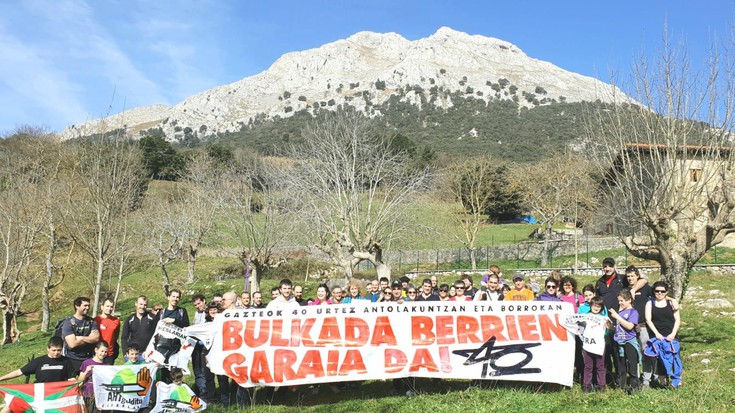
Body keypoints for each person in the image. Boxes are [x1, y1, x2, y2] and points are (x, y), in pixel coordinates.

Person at [645, 281, 682, 388]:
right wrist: (656, 334)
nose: (659, 293)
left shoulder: (671, 303)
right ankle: (663, 383)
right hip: (657, 335)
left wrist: (673, 334)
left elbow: (677, 319)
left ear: (666, 292)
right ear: (653, 292)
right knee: (660, 359)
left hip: (671, 334)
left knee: (675, 357)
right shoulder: (650, 303)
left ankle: (678, 382)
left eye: (662, 291)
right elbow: (648, 319)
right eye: (657, 291)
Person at [0, 337, 75, 383]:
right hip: (40, 393)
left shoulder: (66, 361)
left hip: (58, 394)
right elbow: (18, 372)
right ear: (48, 349)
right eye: (53, 350)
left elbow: (71, 379)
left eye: (59, 350)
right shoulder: (39, 361)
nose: (56, 353)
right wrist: (1, 379)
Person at [626, 266, 653, 387]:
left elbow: (658, 295)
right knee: (633, 354)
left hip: (643, 326)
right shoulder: (625, 290)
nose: (630, 278)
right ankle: (635, 378)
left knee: (646, 352)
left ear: (638, 276)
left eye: (632, 276)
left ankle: (647, 378)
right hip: (630, 327)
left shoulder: (646, 288)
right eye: (628, 276)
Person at [609, 290, 640, 393]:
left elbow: (630, 326)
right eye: (619, 301)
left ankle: (634, 386)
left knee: (632, 365)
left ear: (629, 300)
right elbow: (620, 328)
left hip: (629, 341)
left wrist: (617, 317)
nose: (620, 303)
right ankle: (622, 386)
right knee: (621, 365)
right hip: (619, 341)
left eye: (622, 301)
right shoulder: (621, 312)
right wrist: (611, 327)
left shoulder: (633, 312)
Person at [62, 297, 100, 374]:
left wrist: (80, 338)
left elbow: (96, 339)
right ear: (77, 306)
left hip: (88, 357)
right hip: (72, 358)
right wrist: (89, 339)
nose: (87, 308)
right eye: (85, 305)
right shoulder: (68, 323)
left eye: (89, 306)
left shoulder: (92, 322)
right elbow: (72, 344)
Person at [582, 296, 607, 392]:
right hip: (587, 345)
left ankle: (601, 385)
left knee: (600, 366)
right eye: (594, 305)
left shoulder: (604, 318)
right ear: (591, 305)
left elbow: (609, 331)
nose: (596, 308)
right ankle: (587, 385)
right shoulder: (584, 316)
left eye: (599, 306)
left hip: (599, 346)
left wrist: (608, 327)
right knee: (588, 366)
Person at [191, 294, 213, 401]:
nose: (197, 306)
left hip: (206, 346)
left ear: (204, 301)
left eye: (199, 303)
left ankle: (207, 391)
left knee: (206, 369)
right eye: (195, 305)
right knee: (197, 368)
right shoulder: (196, 314)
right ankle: (201, 390)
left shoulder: (210, 312)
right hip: (196, 345)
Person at [121, 295, 156, 361]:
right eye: (140, 304)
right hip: (132, 355)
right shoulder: (130, 319)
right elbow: (124, 337)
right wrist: (125, 352)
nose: (142, 307)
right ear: (136, 304)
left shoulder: (152, 318)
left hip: (147, 354)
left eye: (145, 305)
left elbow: (157, 335)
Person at [94, 298, 120, 365]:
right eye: (107, 306)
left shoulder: (116, 321)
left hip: (109, 354)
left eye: (111, 307)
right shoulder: (96, 320)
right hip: (97, 353)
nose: (109, 308)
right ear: (102, 307)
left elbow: (116, 336)